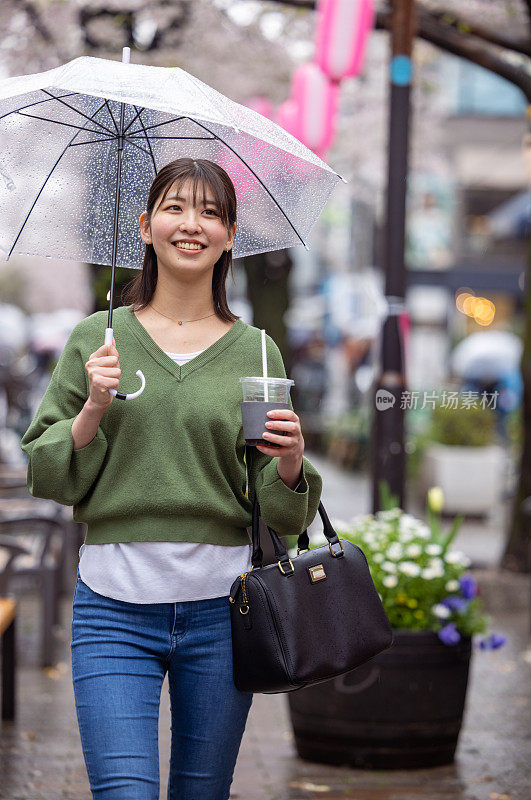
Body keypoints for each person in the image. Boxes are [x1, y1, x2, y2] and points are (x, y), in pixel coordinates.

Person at [20, 157, 323, 800]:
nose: (193, 225)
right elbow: (47, 472)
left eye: (211, 212)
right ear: (146, 226)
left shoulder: (257, 350)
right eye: (176, 208)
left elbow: (284, 512)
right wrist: (92, 411)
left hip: (223, 613)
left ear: (231, 235)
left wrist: (292, 463)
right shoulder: (95, 340)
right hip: (112, 611)